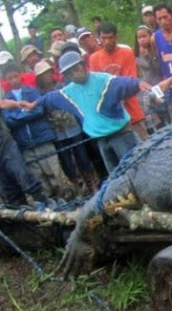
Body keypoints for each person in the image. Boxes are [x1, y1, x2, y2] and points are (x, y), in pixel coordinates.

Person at [22, 51, 151, 173]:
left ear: (84, 66)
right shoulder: (69, 92)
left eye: (76, 69)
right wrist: (34, 103)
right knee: (117, 176)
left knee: (136, 169)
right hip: (101, 140)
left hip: (121, 135)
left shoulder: (104, 80)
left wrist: (138, 83)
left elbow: (123, 82)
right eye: (69, 73)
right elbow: (49, 98)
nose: (74, 74)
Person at [2, 62, 73, 198]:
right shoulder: (6, 100)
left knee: (54, 172)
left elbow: (39, 110)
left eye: (15, 76)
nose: (13, 80)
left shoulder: (32, 91)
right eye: (10, 78)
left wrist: (20, 114)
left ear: (20, 76)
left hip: (42, 138)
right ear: (6, 80)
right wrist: (27, 111)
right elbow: (9, 121)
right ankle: (50, 206)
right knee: (39, 178)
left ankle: (67, 198)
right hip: (25, 144)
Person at [34, 60, 98, 192]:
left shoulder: (63, 86)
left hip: (73, 126)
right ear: (39, 78)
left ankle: (91, 183)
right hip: (56, 132)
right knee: (66, 161)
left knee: (82, 155)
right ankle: (76, 186)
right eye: (43, 74)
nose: (47, 76)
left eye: (48, 73)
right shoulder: (39, 94)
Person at [89, 22, 148, 140]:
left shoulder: (127, 52)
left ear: (116, 37)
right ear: (98, 38)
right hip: (111, 114)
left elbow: (130, 80)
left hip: (131, 107)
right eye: (103, 38)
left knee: (144, 141)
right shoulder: (94, 59)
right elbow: (97, 86)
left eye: (110, 37)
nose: (107, 41)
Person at [0, 97, 48, 206]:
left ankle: (43, 204)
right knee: (8, 189)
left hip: (6, 146)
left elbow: (3, 103)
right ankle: (20, 214)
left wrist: (18, 104)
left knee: (25, 177)